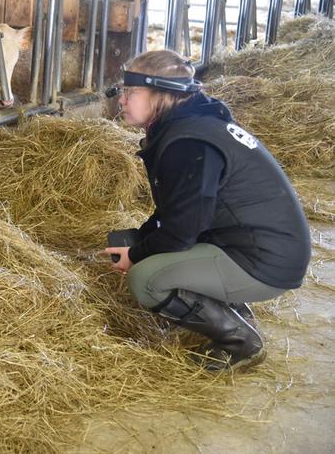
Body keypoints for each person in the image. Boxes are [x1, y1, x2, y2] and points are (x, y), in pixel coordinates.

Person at [104, 49, 311, 372]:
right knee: (133, 241)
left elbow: (182, 231)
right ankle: (225, 310)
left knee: (146, 279)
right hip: (253, 245)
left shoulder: (189, 142)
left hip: (264, 263)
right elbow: (177, 212)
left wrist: (137, 256)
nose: (122, 100)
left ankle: (240, 341)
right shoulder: (191, 126)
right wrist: (139, 241)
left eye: (132, 92)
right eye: (123, 91)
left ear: (162, 95)